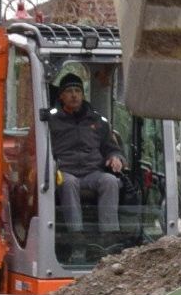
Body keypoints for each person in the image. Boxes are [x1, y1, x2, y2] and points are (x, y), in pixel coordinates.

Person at [46, 67, 125, 238]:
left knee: (110, 180)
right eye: (69, 91)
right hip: (65, 172)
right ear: (61, 96)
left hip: (92, 172)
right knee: (68, 183)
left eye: (78, 91)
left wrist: (115, 157)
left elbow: (112, 148)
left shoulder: (98, 121)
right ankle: (76, 235)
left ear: (83, 95)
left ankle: (109, 235)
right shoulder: (50, 121)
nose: (74, 95)